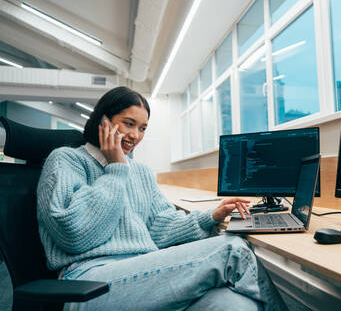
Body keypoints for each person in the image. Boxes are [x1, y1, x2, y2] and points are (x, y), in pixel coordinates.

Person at [36, 87, 287, 311]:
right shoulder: (66, 160)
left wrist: (211, 216)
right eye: (128, 123)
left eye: (142, 128)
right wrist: (115, 169)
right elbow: (75, 235)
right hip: (88, 283)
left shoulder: (141, 172)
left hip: (144, 273)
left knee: (233, 303)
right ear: (103, 122)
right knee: (232, 249)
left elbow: (159, 227)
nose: (135, 135)